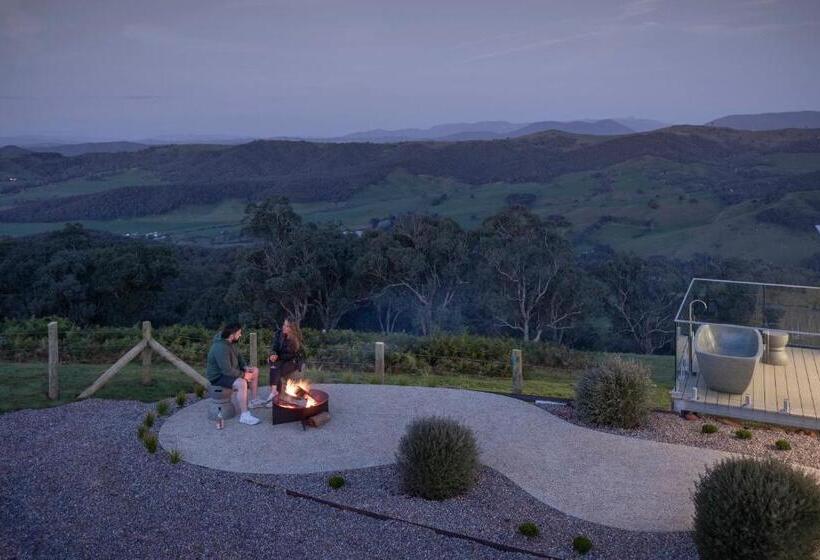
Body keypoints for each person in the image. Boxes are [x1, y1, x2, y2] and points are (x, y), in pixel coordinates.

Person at [205, 323, 264, 425]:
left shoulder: (230, 343)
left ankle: (254, 401)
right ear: (232, 335)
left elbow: (239, 357)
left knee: (254, 370)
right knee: (241, 383)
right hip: (218, 376)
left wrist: (245, 367)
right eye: (239, 333)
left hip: (228, 372)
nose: (240, 335)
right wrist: (244, 375)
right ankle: (244, 415)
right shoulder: (220, 347)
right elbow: (226, 370)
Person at [264, 318, 305, 407]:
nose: (284, 327)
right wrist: (273, 355)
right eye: (284, 324)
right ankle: (274, 392)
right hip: (281, 359)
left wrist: (277, 358)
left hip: (293, 361)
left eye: (287, 326)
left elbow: (294, 355)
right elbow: (274, 348)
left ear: (292, 328)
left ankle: (275, 395)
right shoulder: (279, 334)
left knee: (276, 368)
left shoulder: (296, 338)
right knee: (274, 366)